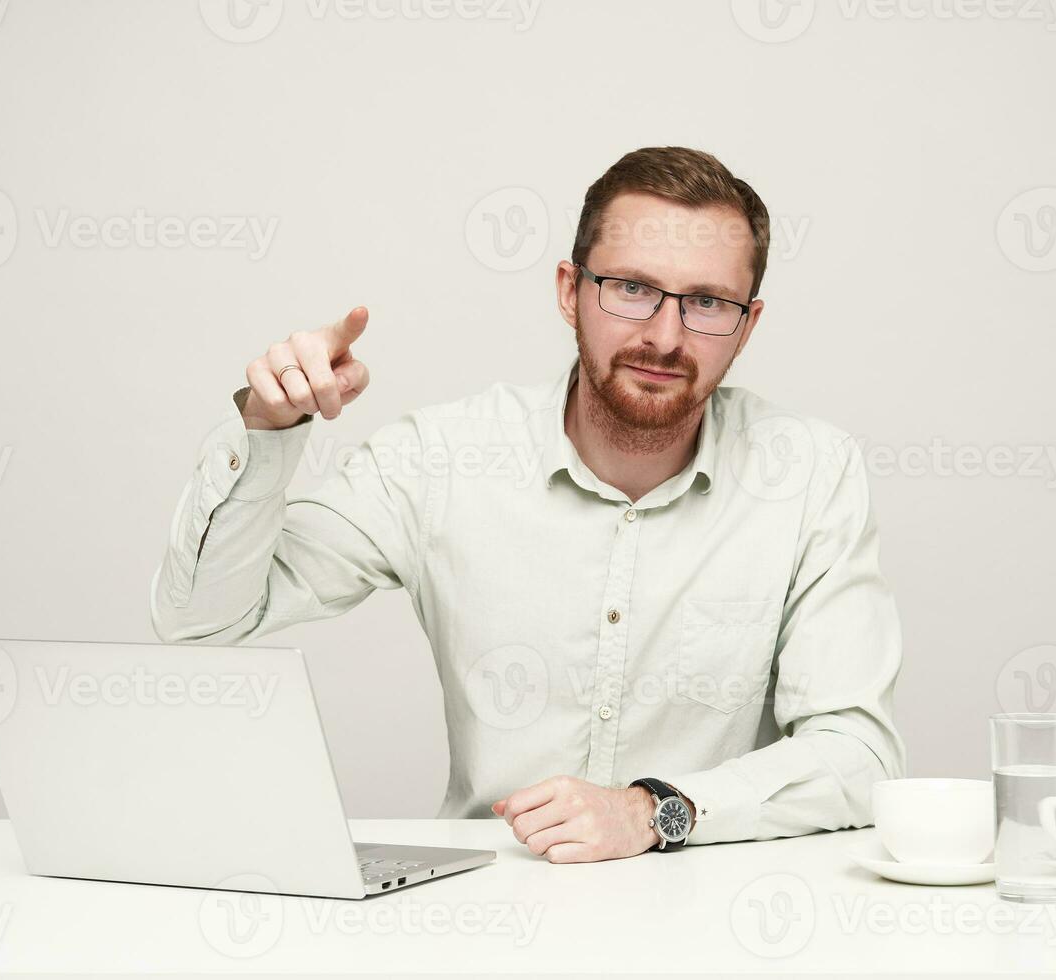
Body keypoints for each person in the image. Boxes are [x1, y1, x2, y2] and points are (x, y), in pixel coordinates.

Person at [150, 146, 904, 864]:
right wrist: (266, 427)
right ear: (569, 292)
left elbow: (859, 756)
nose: (665, 336)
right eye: (632, 288)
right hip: (490, 915)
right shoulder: (441, 459)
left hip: (713, 917)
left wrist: (652, 811)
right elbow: (203, 619)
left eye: (707, 302)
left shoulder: (807, 474)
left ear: (747, 325)